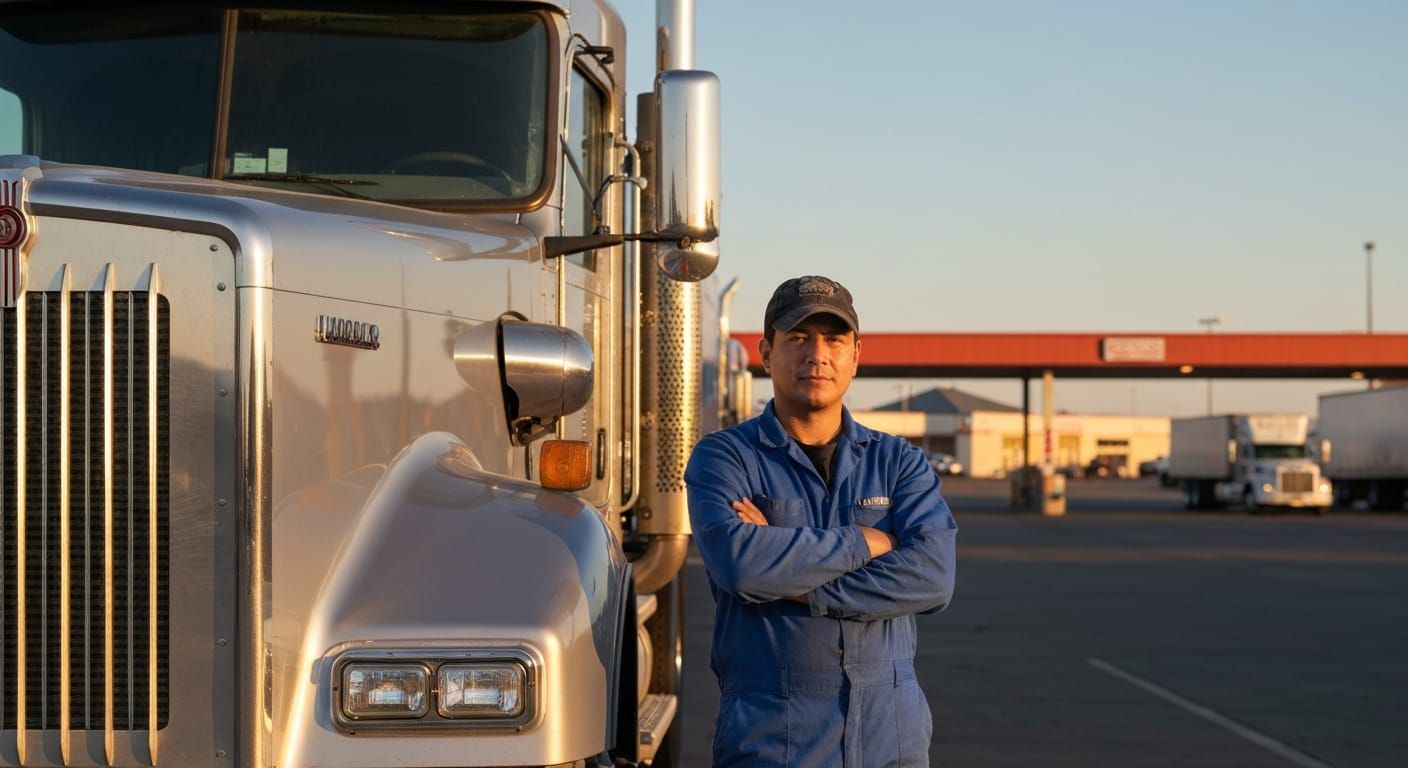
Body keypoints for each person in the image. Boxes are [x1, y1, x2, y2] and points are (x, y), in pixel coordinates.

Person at [685, 275, 958, 767]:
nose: (818, 354)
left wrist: (794, 574)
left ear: (856, 354)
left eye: (834, 339)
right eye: (798, 338)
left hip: (891, 739)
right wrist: (867, 542)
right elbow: (742, 568)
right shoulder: (725, 458)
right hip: (772, 741)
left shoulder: (900, 463)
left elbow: (933, 578)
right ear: (767, 353)